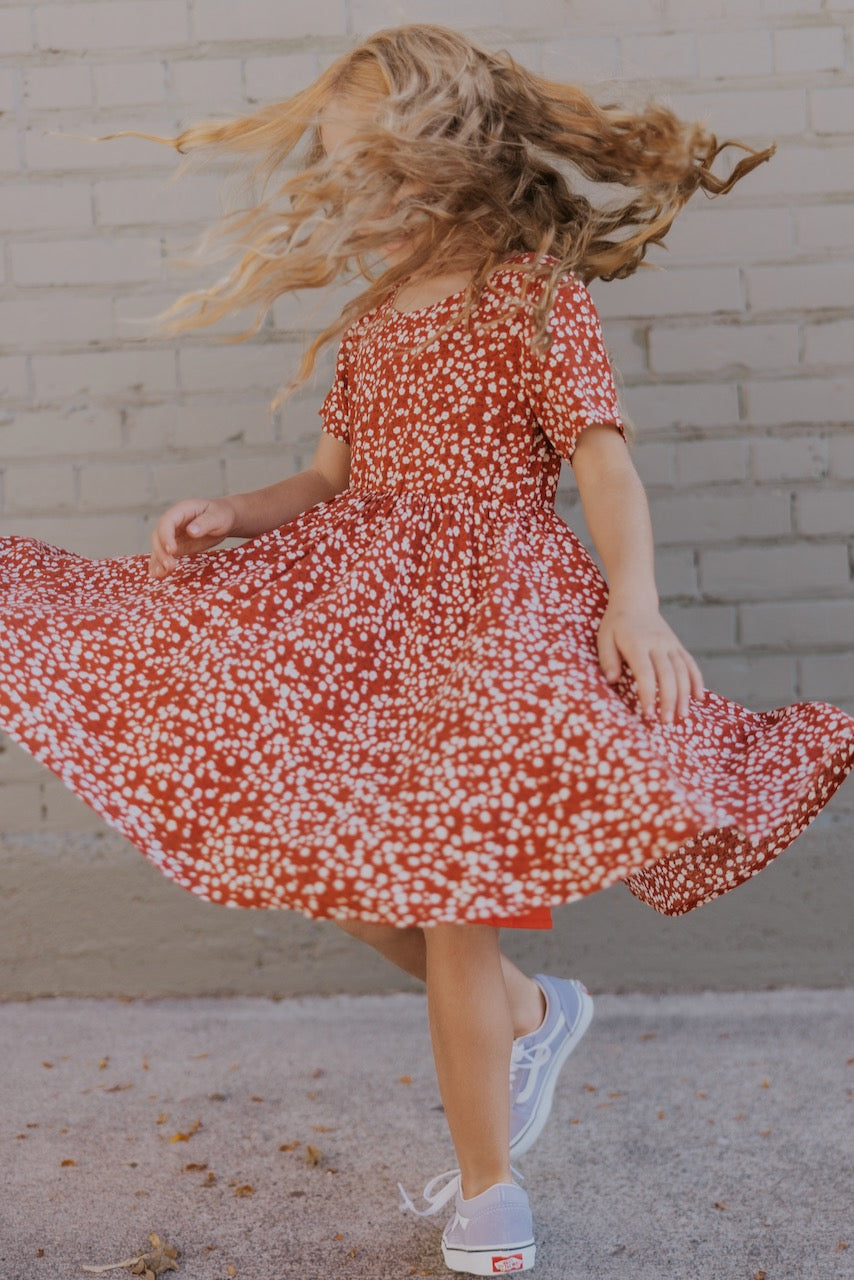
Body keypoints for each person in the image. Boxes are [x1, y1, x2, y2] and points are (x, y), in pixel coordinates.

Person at [1, 22, 852, 1277]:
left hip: (491, 618)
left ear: (456, 155)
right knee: (323, 860)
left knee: (455, 902)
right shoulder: (373, 317)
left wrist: (636, 600)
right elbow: (330, 479)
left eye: (388, 165)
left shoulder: (531, 298)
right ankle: (531, 1012)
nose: (368, 194)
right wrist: (238, 514)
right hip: (362, 615)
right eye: (352, 169)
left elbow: (600, 461)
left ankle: (488, 1190)